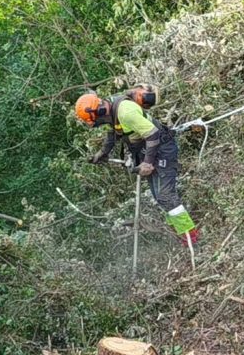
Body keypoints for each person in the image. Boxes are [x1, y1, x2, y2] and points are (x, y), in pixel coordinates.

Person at [75, 87, 199, 247]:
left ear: (99, 110)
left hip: (161, 147)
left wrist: (147, 162)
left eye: (94, 121)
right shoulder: (110, 109)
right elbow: (114, 131)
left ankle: (191, 237)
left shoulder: (125, 112)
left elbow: (153, 134)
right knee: (158, 195)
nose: (96, 125)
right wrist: (103, 152)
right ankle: (180, 230)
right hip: (148, 149)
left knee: (165, 195)